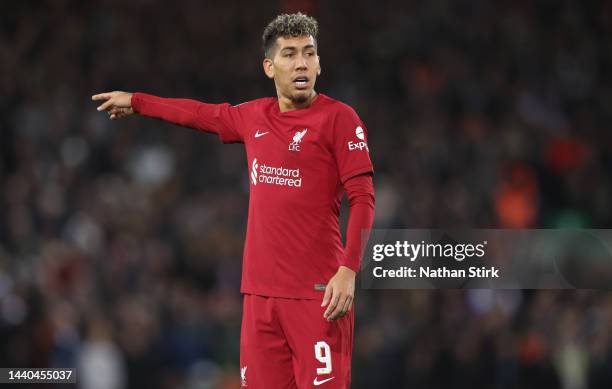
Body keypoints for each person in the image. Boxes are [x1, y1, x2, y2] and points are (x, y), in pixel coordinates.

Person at [92, 12, 375, 389]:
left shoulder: (340, 119)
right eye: (289, 54)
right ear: (269, 67)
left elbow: (364, 199)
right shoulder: (253, 116)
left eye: (309, 52)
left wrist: (348, 270)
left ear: (320, 63)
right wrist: (139, 102)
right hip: (259, 296)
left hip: (319, 295)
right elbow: (198, 114)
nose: (302, 62)